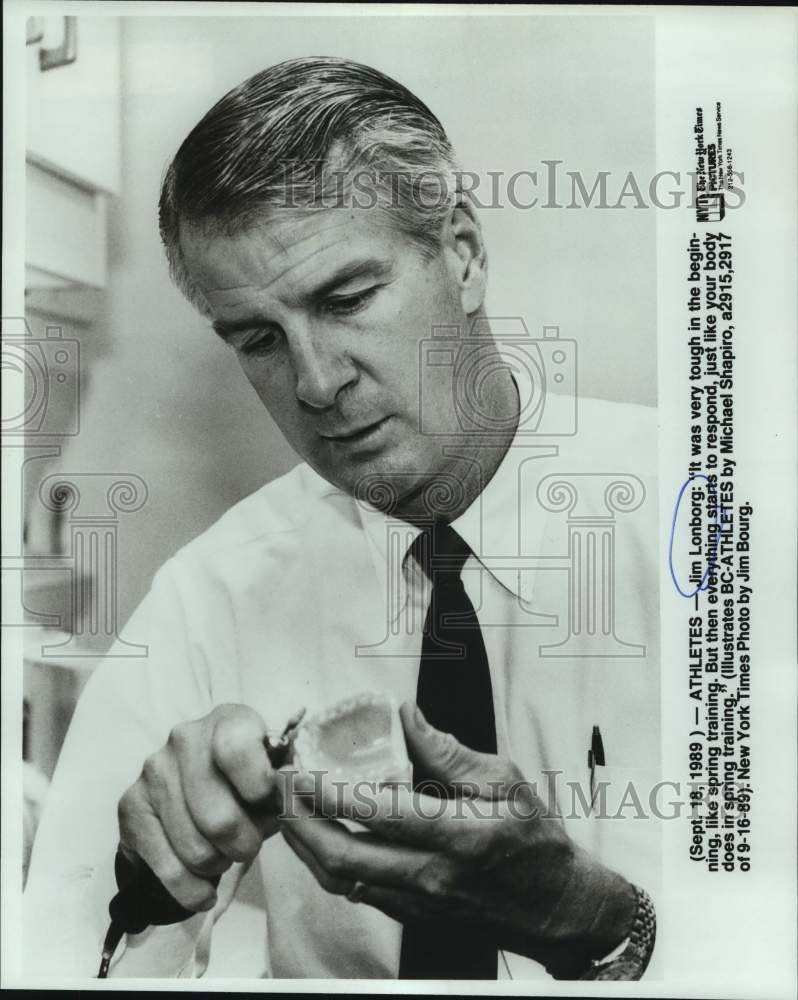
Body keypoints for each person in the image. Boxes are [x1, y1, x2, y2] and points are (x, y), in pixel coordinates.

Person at [23, 56, 660, 981]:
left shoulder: (719, 526)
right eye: (259, 339)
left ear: (463, 254)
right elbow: (55, 955)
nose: (316, 383)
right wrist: (149, 881)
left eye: (348, 299)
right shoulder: (211, 597)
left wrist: (598, 921)